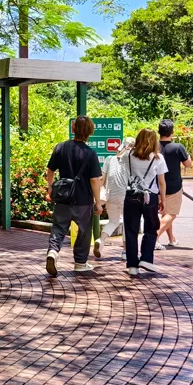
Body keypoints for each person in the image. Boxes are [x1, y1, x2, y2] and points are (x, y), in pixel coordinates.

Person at [44, 116, 104, 276]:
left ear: (73, 129)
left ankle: (53, 252)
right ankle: (80, 263)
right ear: (90, 132)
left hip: (63, 198)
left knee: (58, 228)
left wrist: (50, 188)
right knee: (84, 232)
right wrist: (98, 202)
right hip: (83, 201)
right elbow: (94, 180)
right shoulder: (90, 153)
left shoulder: (61, 147)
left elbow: (50, 170)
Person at [122, 128, 168, 276]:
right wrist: (163, 200)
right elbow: (161, 182)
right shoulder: (158, 158)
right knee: (151, 228)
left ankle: (132, 266)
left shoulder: (128, 155)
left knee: (131, 230)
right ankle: (146, 259)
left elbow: (119, 156)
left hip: (131, 195)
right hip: (151, 196)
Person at [157, 119, 193, 248]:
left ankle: (171, 239)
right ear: (172, 132)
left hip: (156, 185)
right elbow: (188, 164)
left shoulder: (153, 146)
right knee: (171, 214)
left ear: (159, 131)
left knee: (165, 212)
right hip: (174, 185)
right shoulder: (178, 147)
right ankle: (154, 237)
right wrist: (187, 156)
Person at [99, 137, 135, 243]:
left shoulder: (109, 159)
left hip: (111, 197)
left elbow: (102, 179)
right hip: (127, 196)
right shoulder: (132, 161)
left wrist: (97, 195)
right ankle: (125, 251)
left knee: (113, 222)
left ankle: (101, 241)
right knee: (127, 223)